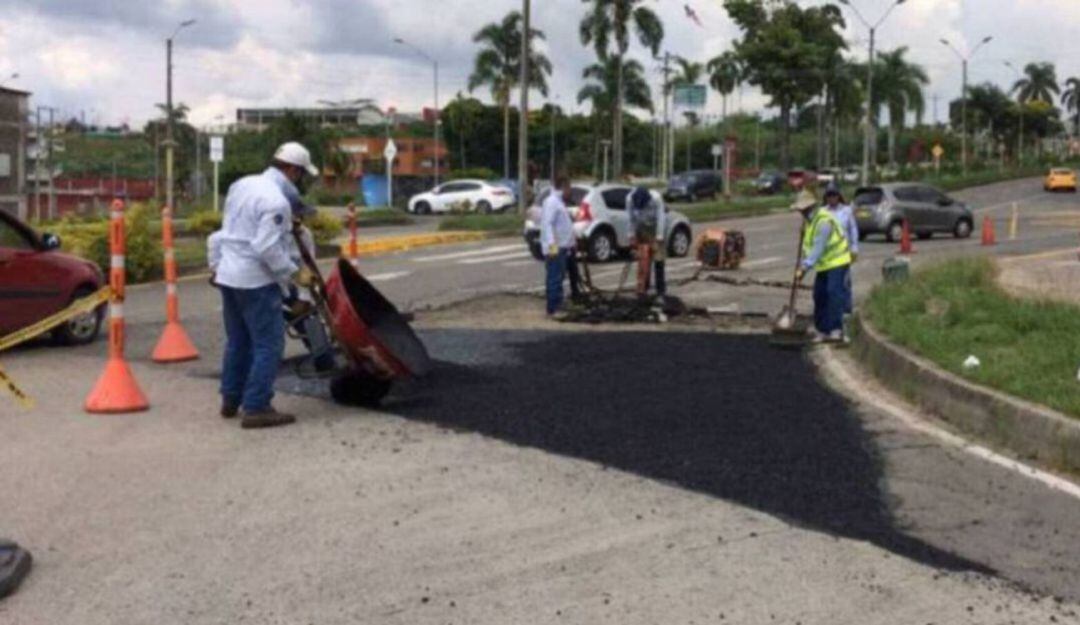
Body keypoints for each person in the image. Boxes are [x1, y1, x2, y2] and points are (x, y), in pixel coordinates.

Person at [207, 142, 318, 428]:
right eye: (301, 175)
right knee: (269, 344)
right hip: (255, 280)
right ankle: (256, 406)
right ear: (293, 170)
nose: (300, 181)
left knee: (239, 341)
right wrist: (294, 275)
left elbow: (224, 233)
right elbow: (266, 247)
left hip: (229, 276)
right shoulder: (276, 201)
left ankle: (231, 399)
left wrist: (215, 265)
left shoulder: (242, 185)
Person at [792, 188, 853, 344]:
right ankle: (822, 329)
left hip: (838, 261)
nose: (801, 213)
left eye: (802, 210)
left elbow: (818, 249)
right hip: (824, 264)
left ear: (809, 208)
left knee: (833, 293)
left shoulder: (823, 222)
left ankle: (836, 330)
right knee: (819, 295)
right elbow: (809, 247)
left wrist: (804, 268)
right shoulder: (810, 222)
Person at [540, 176, 575, 315]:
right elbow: (548, 225)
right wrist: (552, 246)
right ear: (563, 187)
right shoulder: (552, 202)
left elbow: (562, 225)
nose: (570, 191)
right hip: (555, 247)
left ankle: (558, 303)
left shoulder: (558, 202)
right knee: (554, 277)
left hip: (562, 246)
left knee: (559, 276)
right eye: (569, 187)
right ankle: (554, 307)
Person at [824, 182, 859, 318]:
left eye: (834, 195)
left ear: (838, 196)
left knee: (845, 282)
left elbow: (853, 229)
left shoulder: (846, 211)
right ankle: (832, 310)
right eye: (829, 195)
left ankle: (846, 310)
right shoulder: (823, 212)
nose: (831, 198)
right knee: (830, 284)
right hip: (829, 254)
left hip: (844, 252)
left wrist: (854, 248)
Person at [628, 186, 666, 300]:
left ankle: (660, 290)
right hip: (641, 229)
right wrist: (631, 235)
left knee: (659, 260)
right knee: (644, 260)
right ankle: (644, 287)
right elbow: (631, 219)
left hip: (655, 228)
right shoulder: (629, 199)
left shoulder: (656, 199)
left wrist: (659, 238)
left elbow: (661, 218)